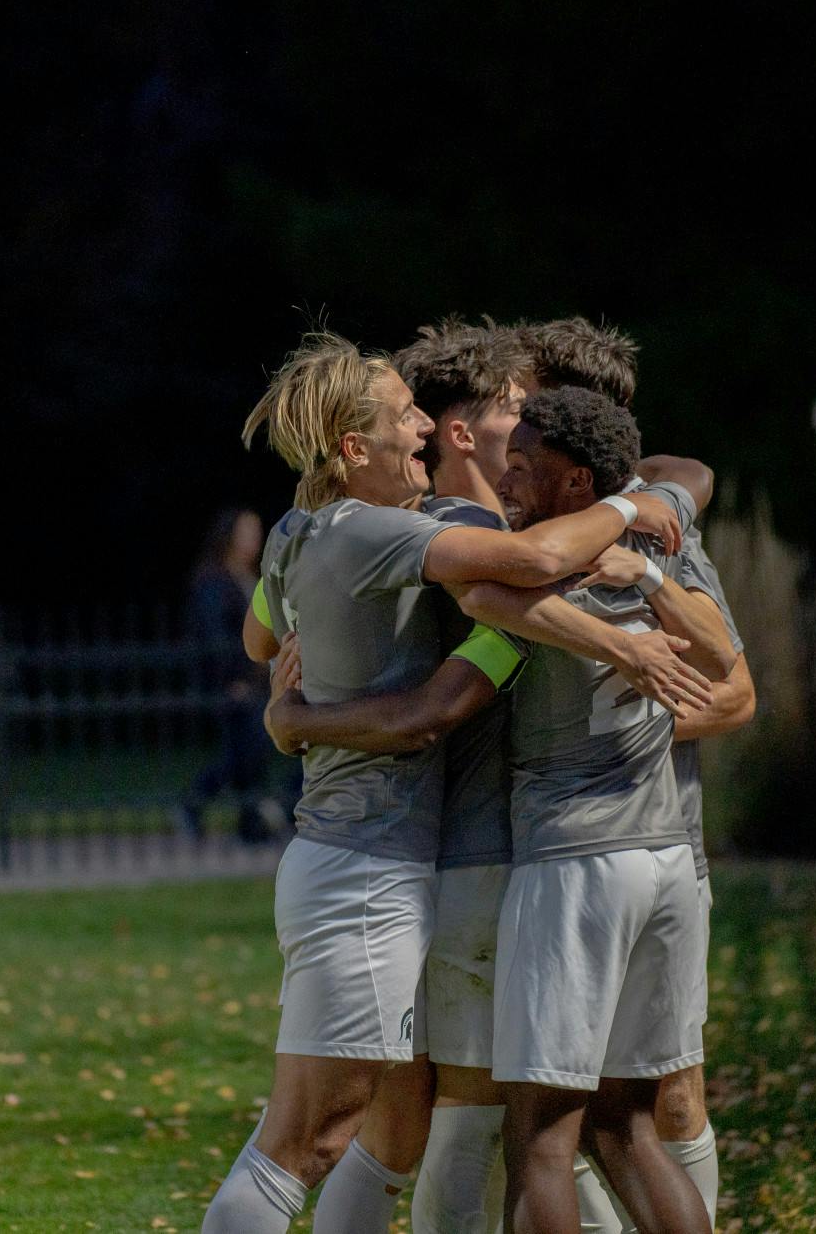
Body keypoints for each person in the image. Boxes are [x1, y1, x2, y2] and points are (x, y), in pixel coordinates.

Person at [203, 335, 711, 1234]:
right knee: (335, 1141)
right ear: (359, 447)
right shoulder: (431, 532)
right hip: (395, 865)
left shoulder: (298, 528)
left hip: (359, 856)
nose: (423, 435)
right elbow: (494, 616)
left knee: (382, 1133)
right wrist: (638, 513)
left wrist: (303, 701)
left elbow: (258, 638)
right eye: (406, 419)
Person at [479, 387, 732, 1234]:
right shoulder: (657, 544)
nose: (505, 479)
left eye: (524, 465)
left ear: (578, 480)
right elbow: (727, 658)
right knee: (625, 1124)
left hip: (575, 863)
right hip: (665, 856)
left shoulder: (538, 558)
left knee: (541, 1138)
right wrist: (653, 554)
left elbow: (487, 593)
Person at [179, 506, 283, 843]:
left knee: (249, 749)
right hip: (234, 684)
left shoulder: (254, 578)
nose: (254, 539)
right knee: (247, 748)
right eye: (246, 532)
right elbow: (215, 636)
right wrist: (233, 678)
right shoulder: (214, 581)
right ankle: (216, 806)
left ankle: (247, 816)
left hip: (261, 681)